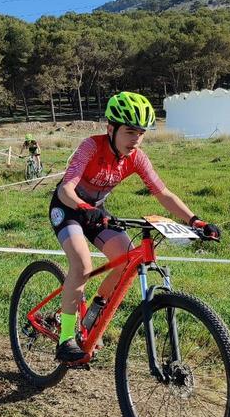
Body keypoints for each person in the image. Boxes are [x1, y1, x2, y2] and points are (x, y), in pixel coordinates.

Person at [48, 92, 221, 362]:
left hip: (96, 212)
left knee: (125, 259)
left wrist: (194, 220)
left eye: (141, 133)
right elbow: (67, 188)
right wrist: (84, 208)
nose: (136, 139)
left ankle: (94, 312)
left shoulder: (137, 158)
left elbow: (163, 193)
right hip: (68, 208)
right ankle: (66, 338)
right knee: (82, 266)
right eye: (129, 132)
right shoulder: (90, 147)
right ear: (110, 128)